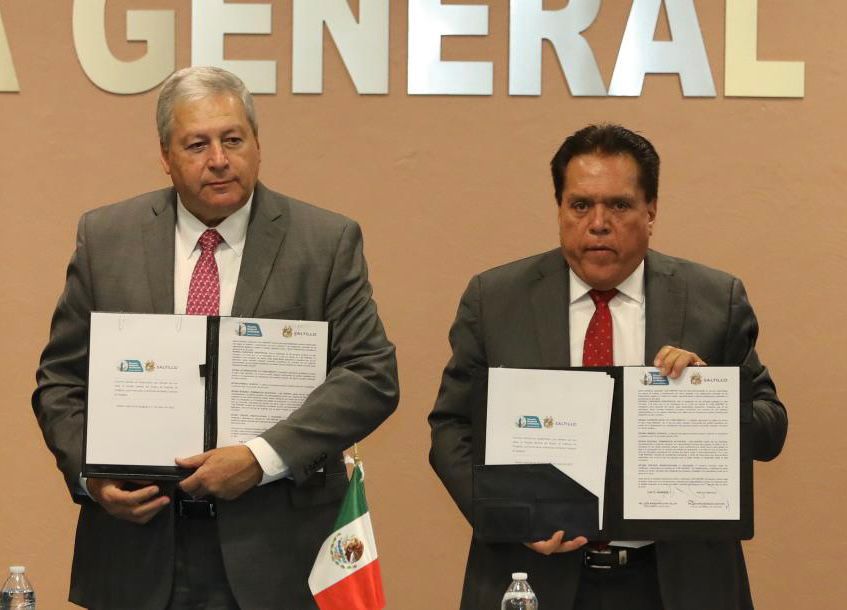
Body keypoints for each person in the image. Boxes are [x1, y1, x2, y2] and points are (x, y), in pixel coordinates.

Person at [32, 66, 399, 610]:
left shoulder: (324, 242)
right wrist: (94, 477)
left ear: (257, 144)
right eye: (197, 144)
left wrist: (261, 456)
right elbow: (61, 381)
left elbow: (371, 375)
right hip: (136, 548)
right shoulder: (106, 238)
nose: (219, 159)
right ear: (166, 156)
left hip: (276, 550)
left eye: (233, 139)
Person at [428, 124, 787, 610]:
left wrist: (707, 396)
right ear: (559, 208)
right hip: (533, 576)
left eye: (618, 205)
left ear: (651, 210)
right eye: (580, 205)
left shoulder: (713, 299)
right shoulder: (495, 300)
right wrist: (507, 516)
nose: (598, 223)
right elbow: (451, 428)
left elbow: (771, 430)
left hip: (676, 583)